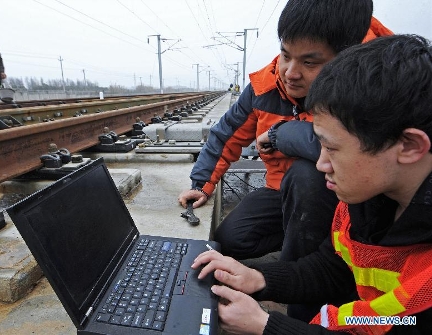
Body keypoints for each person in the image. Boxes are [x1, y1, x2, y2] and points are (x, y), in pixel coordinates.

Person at [192, 34, 432, 334]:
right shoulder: (369, 196)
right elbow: (334, 268)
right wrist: (257, 277)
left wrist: (268, 326)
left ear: (408, 146)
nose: (321, 164)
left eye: (331, 149)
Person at [178, 0, 392, 321]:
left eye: (309, 62)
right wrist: (202, 184)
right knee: (228, 239)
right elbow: (227, 134)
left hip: (348, 196)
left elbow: (339, 148)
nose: (291, 72)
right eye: (285, 54)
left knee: (307, 176)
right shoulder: (264, 86)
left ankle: (303, 310)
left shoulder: (374, 80)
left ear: (343, 58)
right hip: (282, 190)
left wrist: (281, 133)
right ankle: (300, 242)